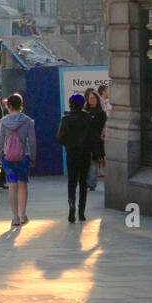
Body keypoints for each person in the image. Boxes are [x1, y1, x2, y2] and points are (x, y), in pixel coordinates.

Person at [0, 92, 37, 227]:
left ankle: (14, 217)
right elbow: (32, 141)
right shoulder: (28, 121)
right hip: (23, 156)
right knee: (23, 186)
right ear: (21, 106)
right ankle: (23, 215)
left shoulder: (4, 122)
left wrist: (1, 157)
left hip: (8, 158)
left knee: (12, 187)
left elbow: (1, 141)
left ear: (9, 106)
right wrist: (32, 157)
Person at [58, 93, 96, 222]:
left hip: (71, 153)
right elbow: (93, 137)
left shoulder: (66, 119)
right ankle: (81, 212)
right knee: (83, 182)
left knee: (72, 181)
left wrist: (68, 144)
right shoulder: (88, 119)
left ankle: (71, 205)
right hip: (85, 153)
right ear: (83, 104)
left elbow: (60, 138)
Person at [84, 88, 107, 191]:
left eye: (94, 98)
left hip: (96, 141)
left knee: (94, 162)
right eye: (90, 98)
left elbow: (104, 126)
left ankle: (91, 184)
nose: (92, 100)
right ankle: (86, 182)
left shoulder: (101, 113)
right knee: (85, 163)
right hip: (85, 140)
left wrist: (103, 134)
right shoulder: (84, 112)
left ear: (97, 99)